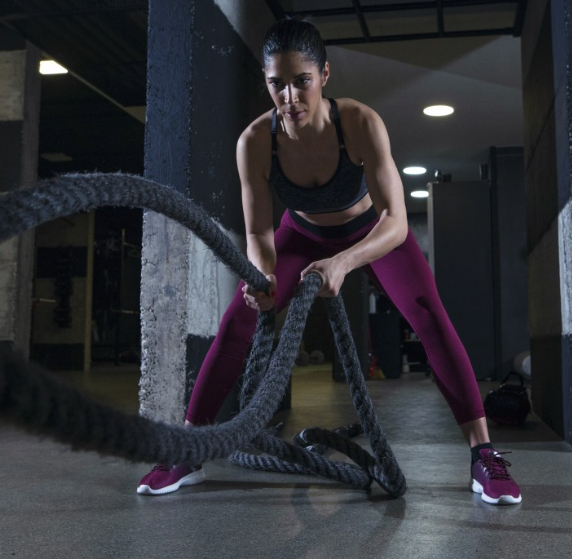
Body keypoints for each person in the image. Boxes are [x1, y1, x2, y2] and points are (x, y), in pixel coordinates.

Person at [136, 17, 521, 505]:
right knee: (239, 319)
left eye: (302, 81)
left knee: (429, 316)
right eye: (277, 84)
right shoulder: (255, 141)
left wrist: (342, 263)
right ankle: (186, 452)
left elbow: (397, 221)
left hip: (372, 232)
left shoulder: (359, 122)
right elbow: (258, 229)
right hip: (300, 233)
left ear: (324, 75)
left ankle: (483, 455)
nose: (290, 97)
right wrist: (265, 274)